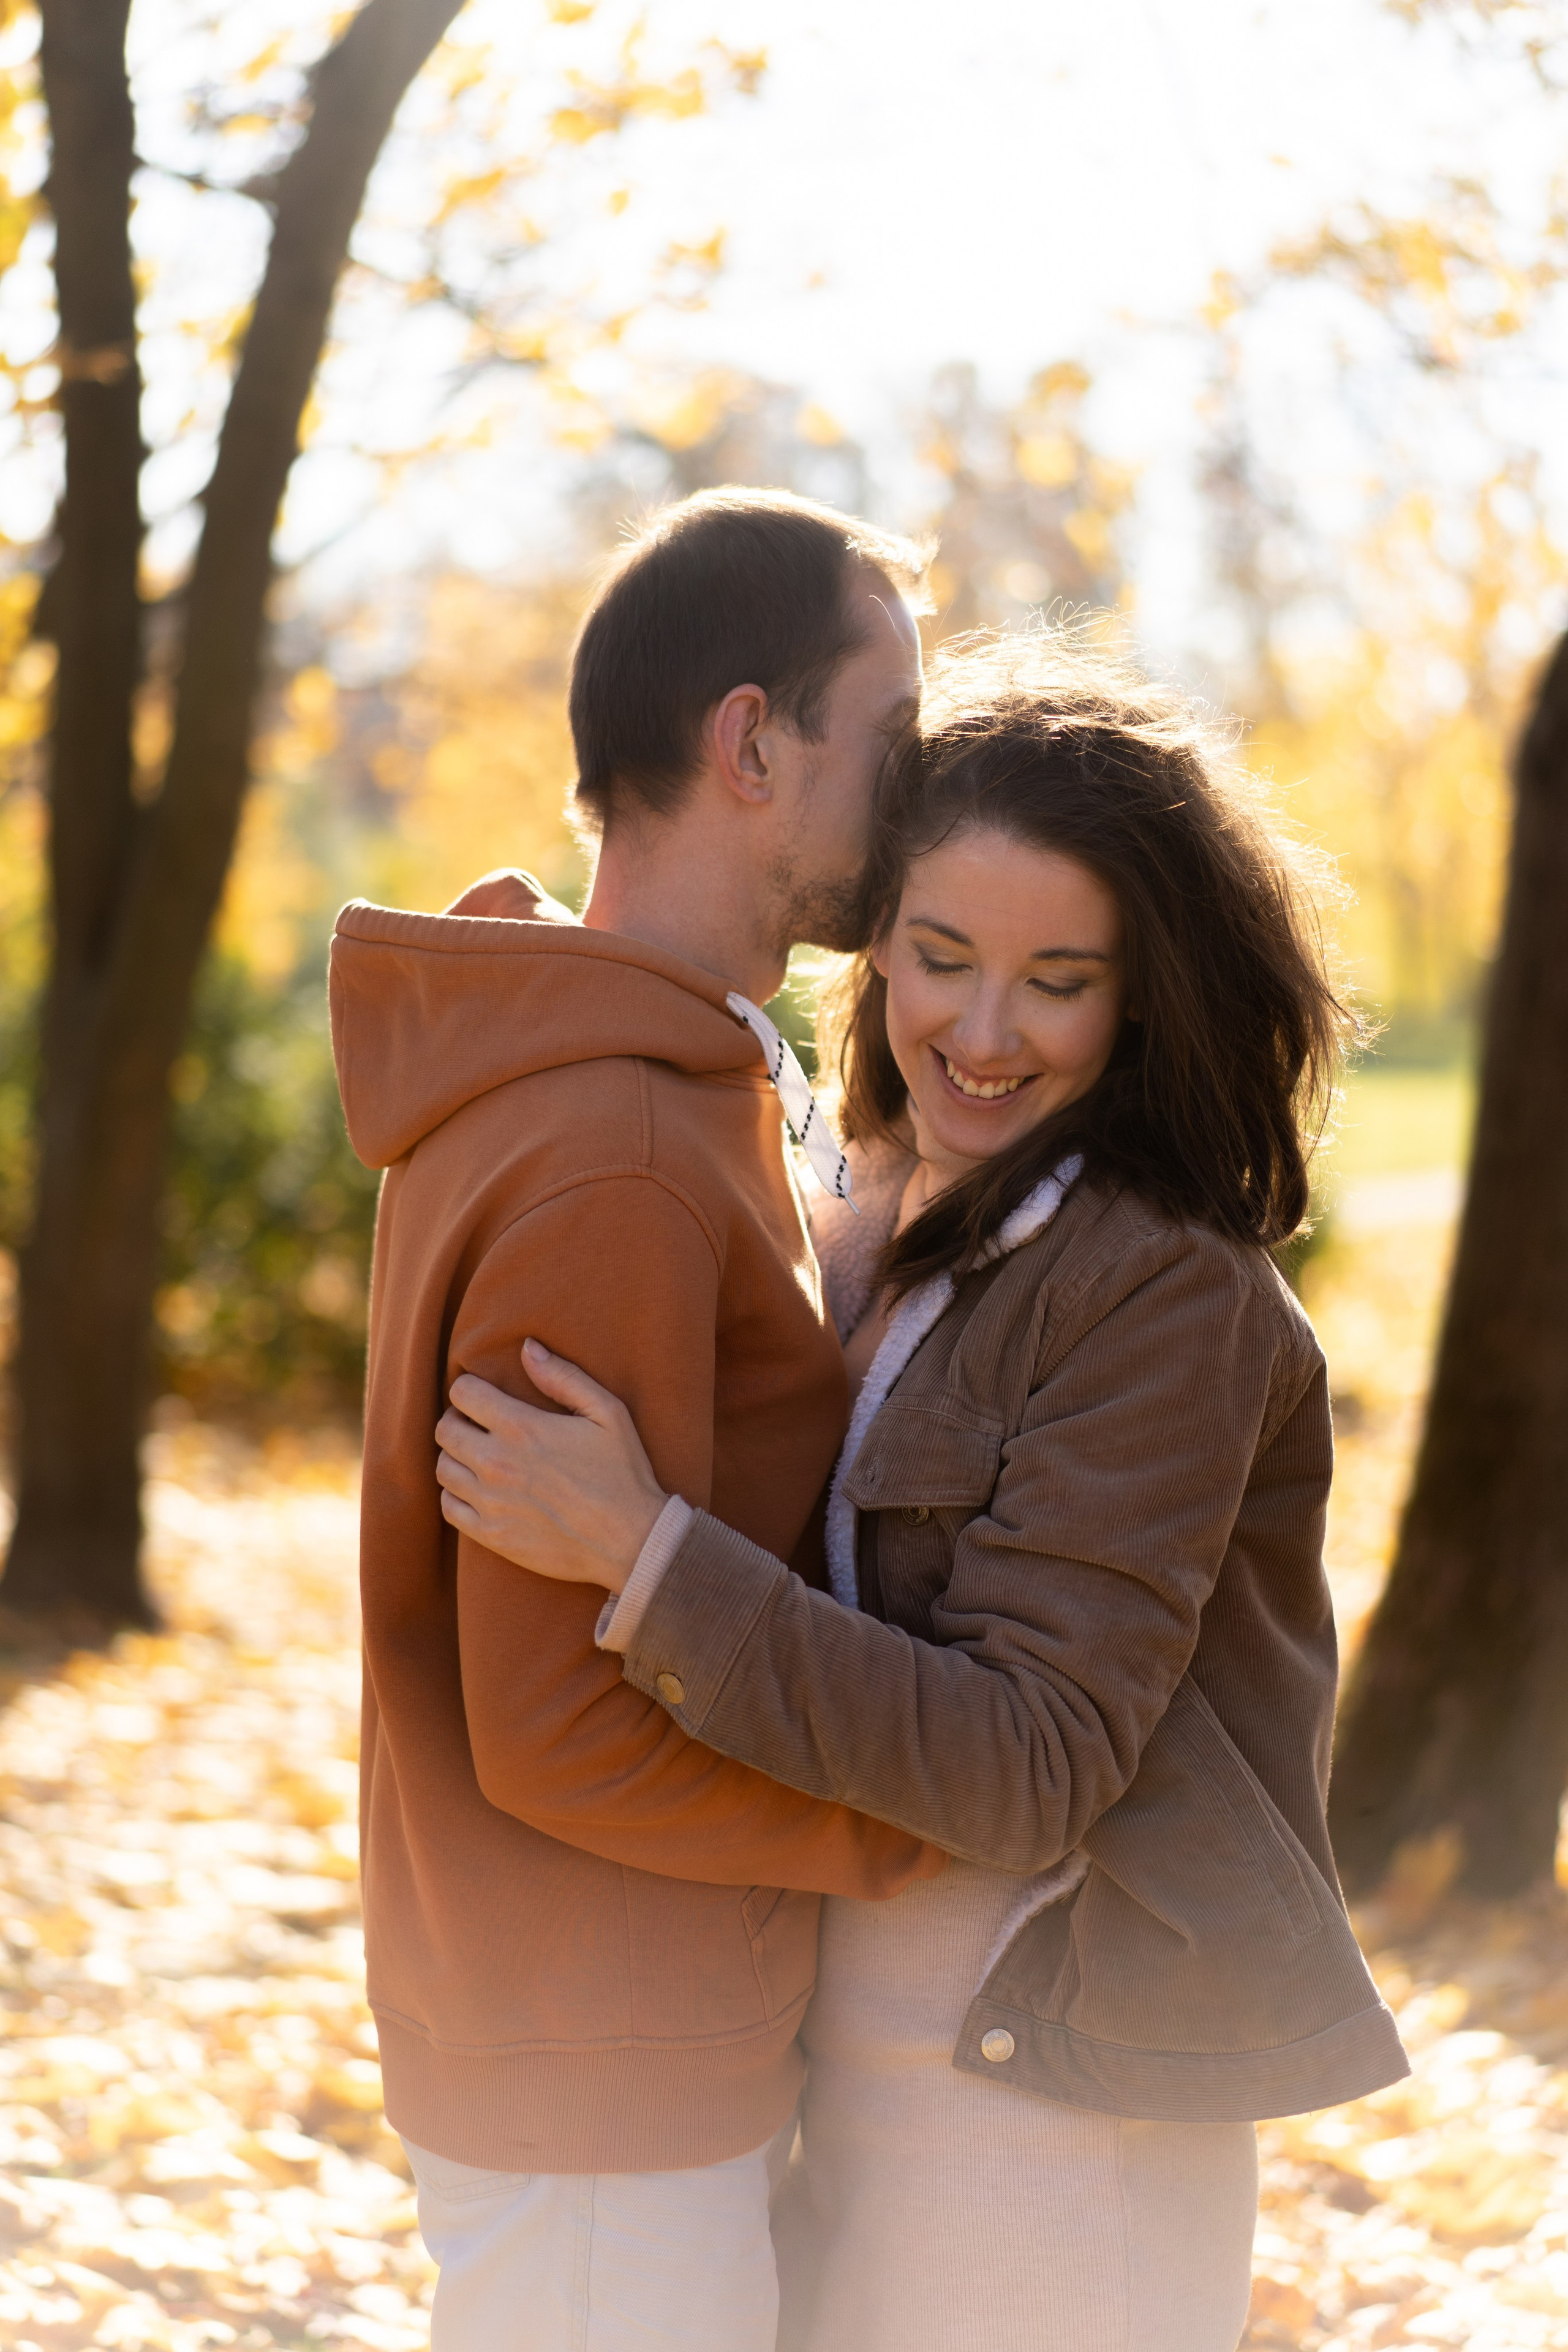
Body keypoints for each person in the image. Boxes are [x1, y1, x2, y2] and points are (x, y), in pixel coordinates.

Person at [432, 635, 1411, 2352]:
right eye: (941, 957)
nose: (979, 1028)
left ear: (1146, 993)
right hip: (846, 2060)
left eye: (1059, 980)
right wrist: (541, 1005)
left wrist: (641, 1559)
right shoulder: (870, 1206)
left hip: (1054, 2097)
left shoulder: (1165, 1293)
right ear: (875, 940)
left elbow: (1031, 1763)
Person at [330, 488, 948, 2352]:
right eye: (896, 739)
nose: (926, 792)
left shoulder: (636, 1086)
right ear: (752, 741)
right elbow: (554, 1729)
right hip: (605, 2062)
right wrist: (907, 1825)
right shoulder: (611, 1148)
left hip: (607, 2027)